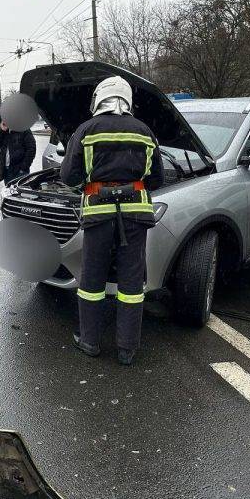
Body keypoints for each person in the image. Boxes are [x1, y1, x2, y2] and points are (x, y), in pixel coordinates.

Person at [60, 76, 164, 366]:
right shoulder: (145, 132)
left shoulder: (86, 130)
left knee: (91, 279)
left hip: (98, 214)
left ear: (99, 99)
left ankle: (90, 341)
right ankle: (127, 348)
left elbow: (68, 177)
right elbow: (157, 178)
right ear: (127, 99)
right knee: (132, 281)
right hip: (136, 214)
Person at [0, 116, 36, 184]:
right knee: (9, 193)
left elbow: (31, 149)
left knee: (19, 194)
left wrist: (23, 168)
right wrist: (1, 131)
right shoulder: (4, 132)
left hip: (20, 172)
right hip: (6, 172)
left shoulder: (23, 129)